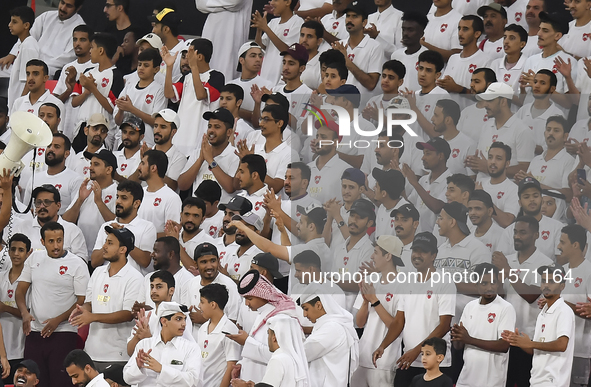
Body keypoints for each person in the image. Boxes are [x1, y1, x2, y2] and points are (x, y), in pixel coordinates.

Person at [372, 232, 455, 387]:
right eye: (415, 250)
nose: (417, 255)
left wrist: (417, 351)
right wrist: (382, 346)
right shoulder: (406, 282)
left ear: (433, 255)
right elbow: (399, 321)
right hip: (408, 360)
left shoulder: (445, 282)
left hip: (436, 363)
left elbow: (444, 326)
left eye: (423, 251)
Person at [15, 221, 90, 387]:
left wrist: (58, 320)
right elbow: (20, 292)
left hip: (64, 333)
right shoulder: (34, 258)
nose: (56, 245)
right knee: (32, 383)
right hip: (34, 333)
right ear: (42, 242)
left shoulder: (77, 263)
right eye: (51, 241)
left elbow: (82, 301)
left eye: (59, 240)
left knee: (61, 383)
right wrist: (24, 313)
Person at [69, 226, 143, 371]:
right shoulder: (97, 272)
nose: (104, 246)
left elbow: (128, 314)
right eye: (105, 241)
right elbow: (90, 303)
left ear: (123, 250)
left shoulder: (135, 277)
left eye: (110, 243)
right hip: (91, 352)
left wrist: (92, 317)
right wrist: (82, 310)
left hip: (118, 355)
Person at [491, 216, 553, 387]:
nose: (517, 236)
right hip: (505, 338)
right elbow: (500, 296)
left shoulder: (545, 263)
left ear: (536, 235)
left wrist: (507, 270)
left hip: (529, 338)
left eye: (523, 232)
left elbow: (531, 295)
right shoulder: (507, 260)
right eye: (516, 232)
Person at [502, 265, 576, 387]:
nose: (546, 285)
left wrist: (530, 343)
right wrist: (517, 341)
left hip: (554, 381)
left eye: (552, 281)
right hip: (537, 379)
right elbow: (535, 350)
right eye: (544, 281)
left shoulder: (564, 311)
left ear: (562, 286)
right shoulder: (543, 312)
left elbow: (562, 344)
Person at [227, 270, 298, 383]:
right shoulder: (263, 314)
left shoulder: (280, 318)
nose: (246, 304)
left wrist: (246, 342)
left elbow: (280, 356)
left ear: (262, 294)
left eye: (249, 299)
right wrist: (241, 364)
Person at [451, 263, 516, 387]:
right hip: (466, 378)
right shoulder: (470, 307)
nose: (489, 287)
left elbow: (504, 345)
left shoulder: (506, 308)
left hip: (491, 381)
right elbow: (458, 346)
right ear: (476, 284)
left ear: (498, 283)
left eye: (493, 282)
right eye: (484, 283)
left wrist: (468, 339)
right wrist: (457, 337)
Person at [352, 235, 405, 386]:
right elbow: (360, 323)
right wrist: (365, 301)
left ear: (388, 256)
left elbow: (396, 326)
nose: (371, 256)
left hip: (384, 361)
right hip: (362, 356)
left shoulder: (403, 285)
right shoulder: (371, 279)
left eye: (375, 252)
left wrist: (374, 300)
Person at [163, 38, 225, 156]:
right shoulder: (187, 76)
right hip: (179, 140)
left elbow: (201, 95)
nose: (187, 57)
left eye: (190, 53)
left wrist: (194, 67)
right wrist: (169, 67)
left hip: (199, 141)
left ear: (200, 57)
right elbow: (169, 94)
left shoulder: (216, 76)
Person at [123, 302, 201, 387]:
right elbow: (127, 378)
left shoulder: (191, 348)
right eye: (178, 319)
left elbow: (193, 380)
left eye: (184, 319)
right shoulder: (144, 344)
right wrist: (139, 368)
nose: (184, 324)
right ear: (164, 321)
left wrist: (161, 369)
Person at [92, 180, 157, 276]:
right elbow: (94, 262)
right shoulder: (106, 226)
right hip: (107, 281)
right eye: (117, 197)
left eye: (124, 198)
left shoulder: (147, 227)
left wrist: (123, 235)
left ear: (136, 203)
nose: (118, 201)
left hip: (134, 283)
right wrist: (111, 240)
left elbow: (145, 261)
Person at [470, 82, 535, 179]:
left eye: (490, 100)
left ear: (503, 102)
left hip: (506, 192)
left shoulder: (522, 130)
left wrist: (489, 168)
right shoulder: (486, 126)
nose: (485, 105)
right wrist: (474, 163)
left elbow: (525, 168)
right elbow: (482, 162)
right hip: (481, 188)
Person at [71, 33, 124, 152]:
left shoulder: (116, 75)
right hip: (82, 127)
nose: (89, 51)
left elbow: (112, 108)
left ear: (101, 51)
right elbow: (74, 102)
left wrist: (93, 89)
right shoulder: (87, 71)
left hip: (101, 129)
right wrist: (86, 92)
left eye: (92, 47)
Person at [300, 283, 359, 387]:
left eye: (306, 309)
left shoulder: (331, 329)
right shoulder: (329, 325)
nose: (304, 315)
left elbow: (303, 353)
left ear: (318, 305)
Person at [63, 149, 118, 256]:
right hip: (80, 253)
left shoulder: (118, 192)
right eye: (91, 164)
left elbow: (117, 225)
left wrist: (99, 202)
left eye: (96, 164)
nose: (90, 168)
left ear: (109, 169)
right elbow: (65, 221)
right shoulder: (86, 189)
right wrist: (80, 200)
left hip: (104, 256)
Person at [11, 184, 88, 261]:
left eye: (47, 202)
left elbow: (81, 262)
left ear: (58, 205)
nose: (42, 206)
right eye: (38, 202)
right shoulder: (22, 228)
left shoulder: (72, 230)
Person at [178, 107, 239, 203]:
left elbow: (231, 187)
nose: (211, 130)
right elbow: (182, 185)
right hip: (197, 214)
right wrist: (201, 159)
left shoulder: (235, 155)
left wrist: (210, 160)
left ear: (229, 132)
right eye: (209, 126)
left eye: (217, 127)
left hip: (222, 214)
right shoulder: (197, 153)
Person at [556, 224, 591, 386]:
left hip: (580, 350)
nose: (558, 246)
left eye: (562, 242)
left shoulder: (589, 271)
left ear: (575, 245)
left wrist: (559, 302)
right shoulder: (560, 272)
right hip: (557, 348)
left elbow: (588, 311)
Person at [183, 242, 241, 339]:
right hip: (195, 342)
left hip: (219, 344)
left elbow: (234, 322)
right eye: (204, 262)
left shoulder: (229, 285)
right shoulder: (191, 283)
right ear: (195, 264)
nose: (209, 266)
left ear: (218, 261)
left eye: (213, 261)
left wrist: (206, 319)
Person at [332, 2, 385, 106]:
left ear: (364, 22)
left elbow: (371, 84)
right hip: (338, 106)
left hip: (362, 108)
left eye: (355, 16)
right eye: (348, 16)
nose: (349, 20)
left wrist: (346, 60)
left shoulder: (375, 47)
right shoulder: (338, 45)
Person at [113, 48, 166, 148]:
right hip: (123, 142)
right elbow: (117, 121)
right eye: (139, 64)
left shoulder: (159, 90)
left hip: (145, 142)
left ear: (156, 69)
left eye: (146, 65)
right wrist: (121, 109)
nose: (141, 68)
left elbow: (156, 121)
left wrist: (131, 109)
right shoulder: (128, 87)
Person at [53, 25, 97, 142]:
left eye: (82, 40)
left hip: (85, 126)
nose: (77, 43)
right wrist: (69, 89)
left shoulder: (97, 68)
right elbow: (56, 101)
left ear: (91, 43)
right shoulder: (67, 67)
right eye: (74, 39)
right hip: (66, 124)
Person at [22, 133, 84, 216]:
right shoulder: (34, 178)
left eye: (57, 147)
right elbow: (26, 211)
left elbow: (75, 214)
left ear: (66, 154)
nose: (51, 149)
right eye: (49, 146)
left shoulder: (75, 180)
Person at [503, 177, 564, 260]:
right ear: (520, 203)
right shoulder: (509, 231)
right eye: (526, 197)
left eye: (535, 196)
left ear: (541, 200)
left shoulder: (557, 227)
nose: (532, 200)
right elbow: (501, 261)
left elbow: (562, 263)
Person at [0, 234, 31, 383]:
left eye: (21, 250)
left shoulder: (31, 281)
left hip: (20, 347)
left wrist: (5, 308)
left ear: (28, 253)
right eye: (13, 249)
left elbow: (30, 315)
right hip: (2, 348)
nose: (16, 254)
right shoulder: (0, 276)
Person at [197, 283, 241, 387]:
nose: (199, 306)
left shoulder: (229, 329)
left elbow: (231, 365)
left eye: (202, 302)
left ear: (213, 304)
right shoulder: (202, 328)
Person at [134, 237, 194, 312]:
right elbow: (141, 306)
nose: (152, 254)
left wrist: (152, 312)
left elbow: (185, 314)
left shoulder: (188, 280)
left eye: (156, 251)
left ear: (171, 254)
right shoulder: (148, 277)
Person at [405, 137, 451, 233]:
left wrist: (414, 183)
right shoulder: (423, 180)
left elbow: (437, 207)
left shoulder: (451, 181)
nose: (423, 158)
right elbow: (410, 207)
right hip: (417, 237)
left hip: (436, 240)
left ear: (441, 156)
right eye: (423, 154)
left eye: (428, 154)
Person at [252, 0, 304, 86]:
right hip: (265, 76)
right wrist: (259, 29)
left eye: (275, 0)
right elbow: (260, 47)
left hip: (280, 80)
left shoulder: (297, 22)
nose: (271, 3)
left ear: (287, 2)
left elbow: (289, 51)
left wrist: (266, 28)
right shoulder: (273, 22)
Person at [29, 0, 85, 78]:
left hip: (51, 69)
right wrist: (13, 54)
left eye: (68, 6)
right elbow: (29, 38)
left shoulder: (80, 29)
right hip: (30, 61)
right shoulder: (46, 16)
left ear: (78, 8)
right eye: (62, 3)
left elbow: (67, 58)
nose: (63, 8)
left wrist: (40, 66)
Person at [438, 15, 491, 95]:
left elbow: (486, 95)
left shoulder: (486, 61)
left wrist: (458, 89)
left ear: (477, 34)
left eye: (465, 29)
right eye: (459, 29)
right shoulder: (453, 58)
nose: (460, 33)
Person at [516, 70, 566, 152]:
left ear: (552, 89)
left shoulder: (558, 115)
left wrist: (527, 145)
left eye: (542, 83)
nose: (537, 86)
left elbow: (556, 147)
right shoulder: (523, 110)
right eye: (535, 82)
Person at [136, 149, 182, 236]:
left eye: (142, 163)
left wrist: (142, 237)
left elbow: (172, 233)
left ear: (153, 168)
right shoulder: (139, 192)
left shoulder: (172, 198)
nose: (139, 167)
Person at [431, 99, 476, 176]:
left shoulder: (469, 145)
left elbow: (472, 179)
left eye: (436, 115)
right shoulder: (434, 143)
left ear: (448, 120)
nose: (432, 119)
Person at [231, 42, 274, 121]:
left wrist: (235, 109)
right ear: (241, 60)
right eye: (253, 56)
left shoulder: (268, 85)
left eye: (260, 56)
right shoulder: (230, 84)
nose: (258, 59)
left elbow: (263, 118)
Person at [7, 6, 38, 113]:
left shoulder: (29, 46)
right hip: (15, 100)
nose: (9, 25)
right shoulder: (23, 44)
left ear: (26, 25)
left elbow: (30, 79)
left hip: (20, 103)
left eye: (14, 22)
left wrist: (21, 104)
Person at [490, 24, 529, 96]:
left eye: (512, 38)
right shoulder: (495, 64)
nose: (506, 41)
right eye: (505, 37)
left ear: (522, 44)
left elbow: (525, 99)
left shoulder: (528, 64)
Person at [67, 113, 109, 179]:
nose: (99, 133)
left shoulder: (108, 159)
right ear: (86, 131)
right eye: (95, 128)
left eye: (103, 131)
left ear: (106, 136)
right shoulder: (75, 158)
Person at [103, 0, 132, 74]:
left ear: (119, 8)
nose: (105, 10)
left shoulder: (136, 33)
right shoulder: (107, 31)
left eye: (108, 6)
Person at [299, 21, 325, 90]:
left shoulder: (323, 64)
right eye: (302, 35)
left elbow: (324, 91)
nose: (304, 40)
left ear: (319, 41)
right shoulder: (292, 58)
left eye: (309, 36)